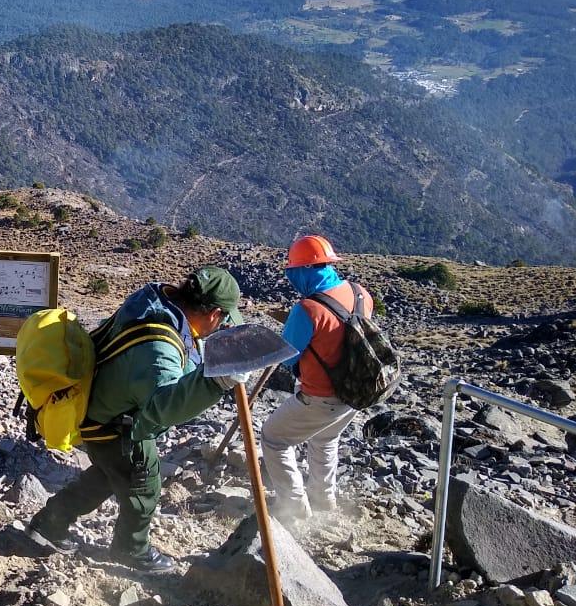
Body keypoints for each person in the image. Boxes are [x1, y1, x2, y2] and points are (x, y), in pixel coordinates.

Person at [26, 266, 247, 572]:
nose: (221, 325)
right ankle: (131, 549)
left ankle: (49, 525)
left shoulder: (155, 301)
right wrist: (215, 383)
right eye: (223, 318)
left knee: (108, 475)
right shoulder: (160, 348)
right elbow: (163, 405)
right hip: (118, 423)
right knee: (145, 481)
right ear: (213, 313)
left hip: (98, 410)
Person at [261, 235, 374, 522]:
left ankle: (294, 508)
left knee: (274, 439)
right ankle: (324, 499)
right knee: (326, 439)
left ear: (304, 270)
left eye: (292, 271)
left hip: (320, 397)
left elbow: (286, 357)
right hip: (355, 393)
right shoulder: (360, 294)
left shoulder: (307, 309)